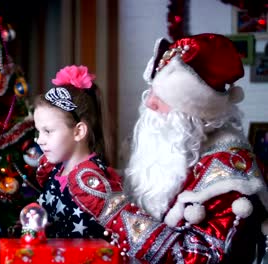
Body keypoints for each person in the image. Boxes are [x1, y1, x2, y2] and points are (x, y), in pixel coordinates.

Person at [99, 33, 268, 263]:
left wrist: (116, 212)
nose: (149, 102)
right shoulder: (181, 149)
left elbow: (196, 257)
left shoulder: (230, 180)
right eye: (151, 89)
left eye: (163, 96)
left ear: (196, 113)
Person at [33, 65, 122, 239]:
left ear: (79, 131)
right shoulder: (53, 170)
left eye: (48, 131)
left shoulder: (92, 182)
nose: (39, 140)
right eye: (38, 131)